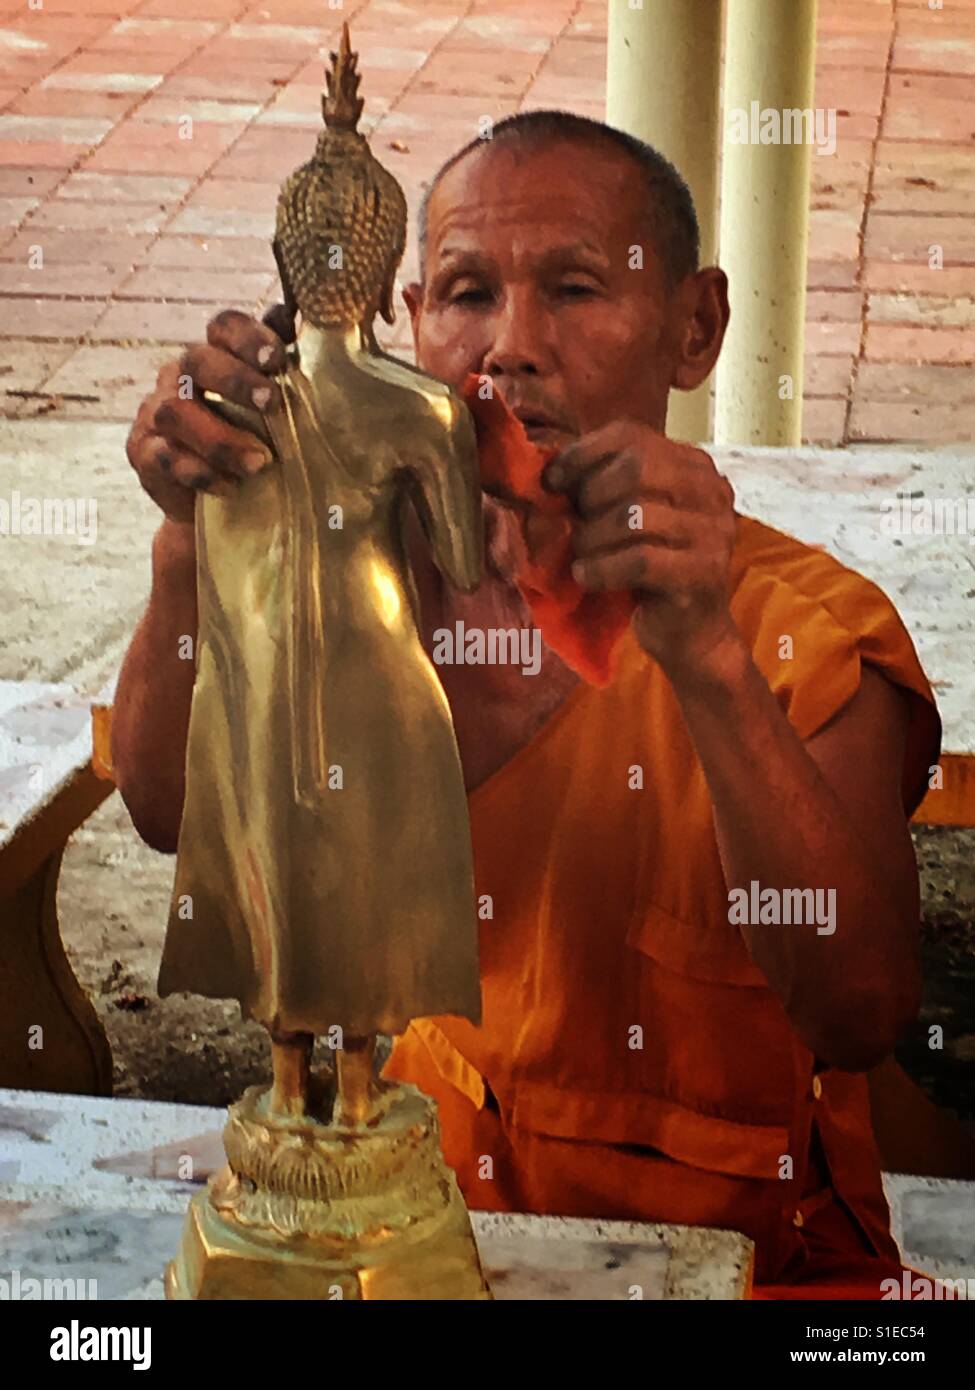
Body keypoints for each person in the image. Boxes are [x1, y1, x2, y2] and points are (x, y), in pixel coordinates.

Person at [115, 112, 940, 1297]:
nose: (510, 347)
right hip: (407, 1249)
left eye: (575, 287)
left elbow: (860, 1009)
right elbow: (158, 807)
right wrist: (194, 536)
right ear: (406, 322)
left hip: (742, 1274)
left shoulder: (791, 628)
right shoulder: (352, 586)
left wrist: (701, 654)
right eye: (464, 294)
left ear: (694, 327)